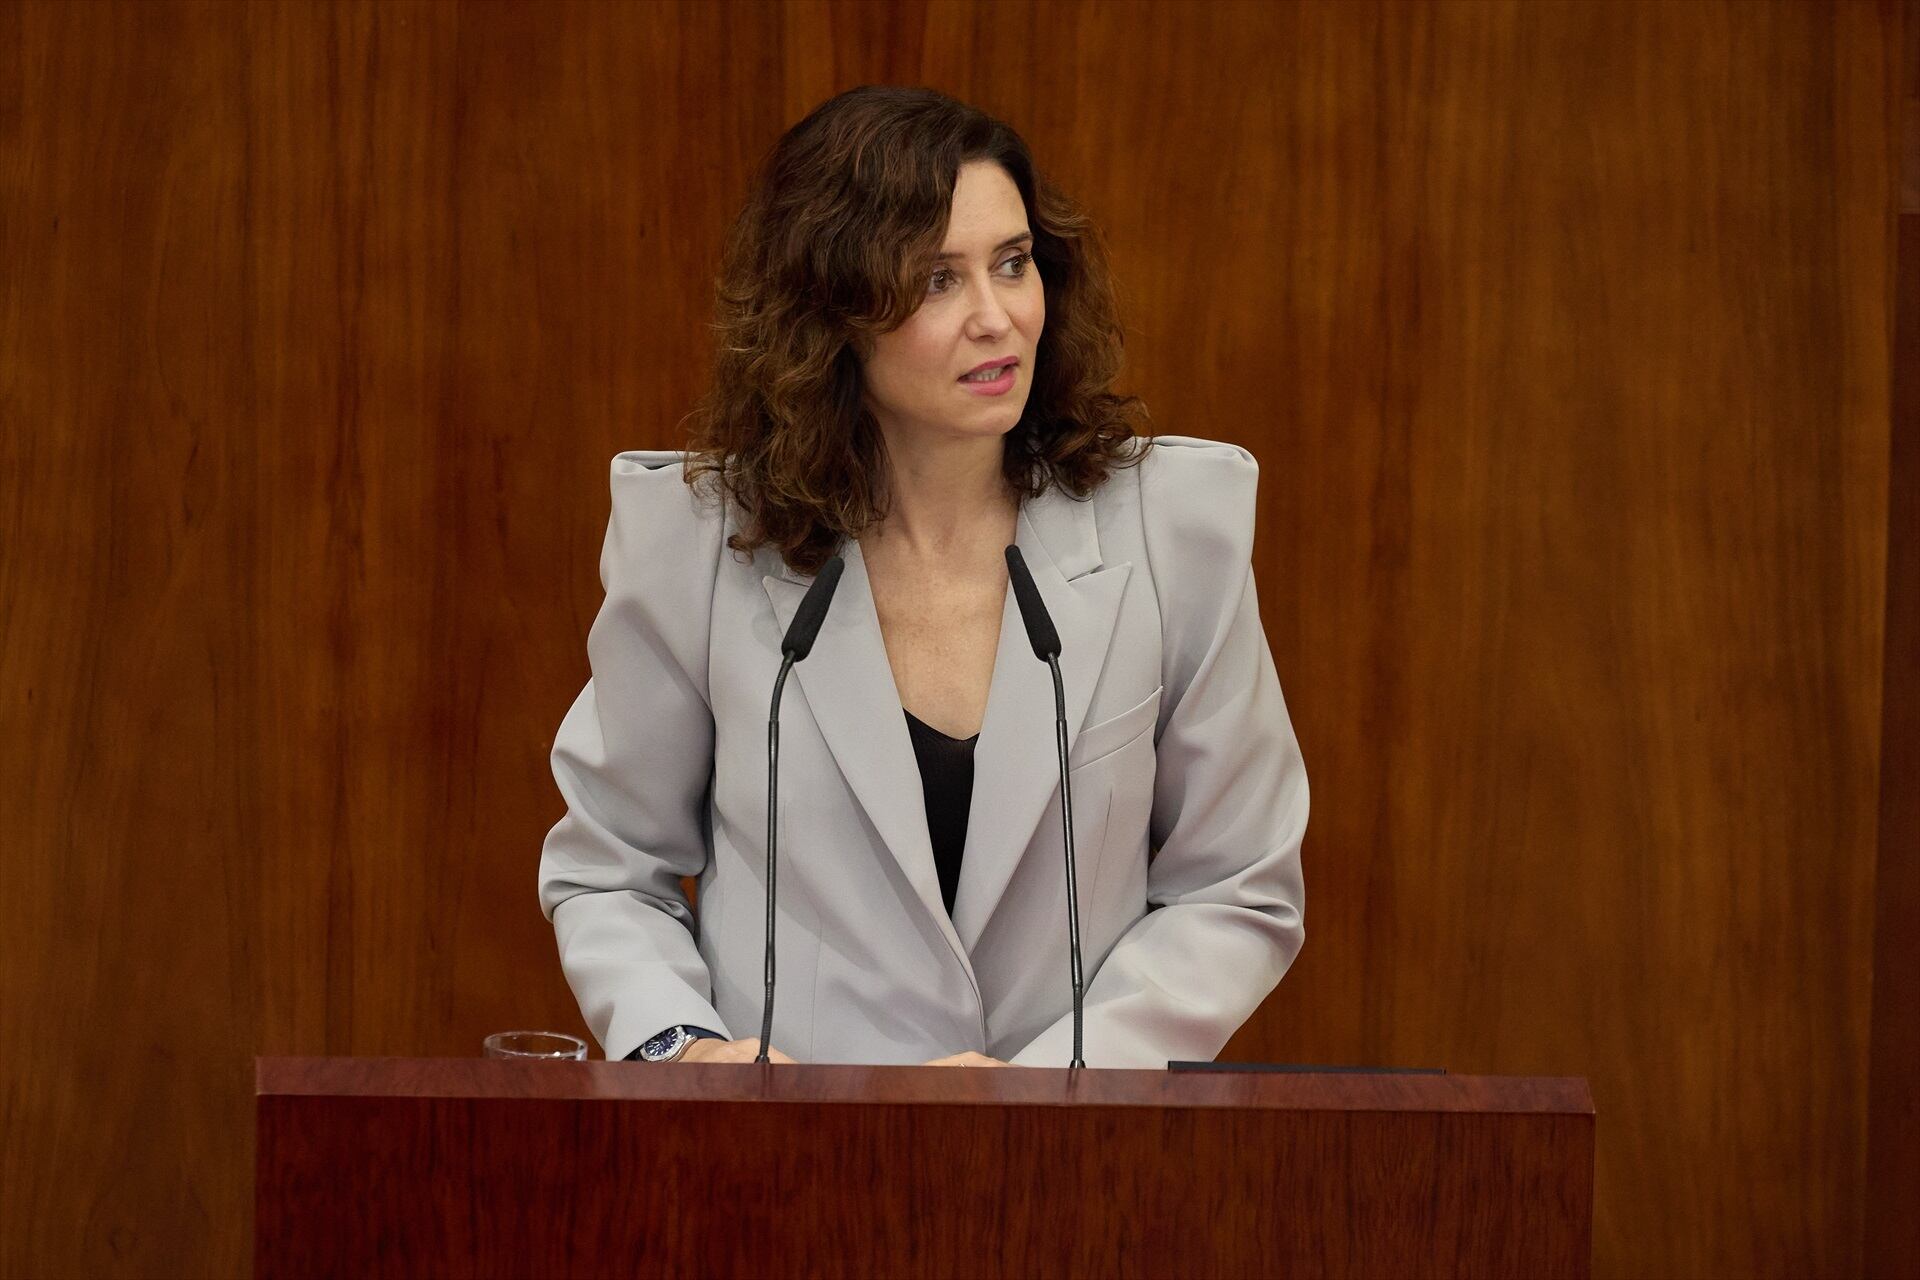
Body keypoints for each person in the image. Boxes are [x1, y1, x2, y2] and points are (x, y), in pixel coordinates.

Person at [536, 86, 1307, 1068]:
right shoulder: (701, 542)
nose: (997, 318)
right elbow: (611, 870)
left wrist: (1052, 1082)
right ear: (833, 314)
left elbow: (1237, 883)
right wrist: (684, 1048)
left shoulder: (1170, 530)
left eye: (1013, 264)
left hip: (1070, 1163)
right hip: (780, 1167)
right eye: (938, 280)